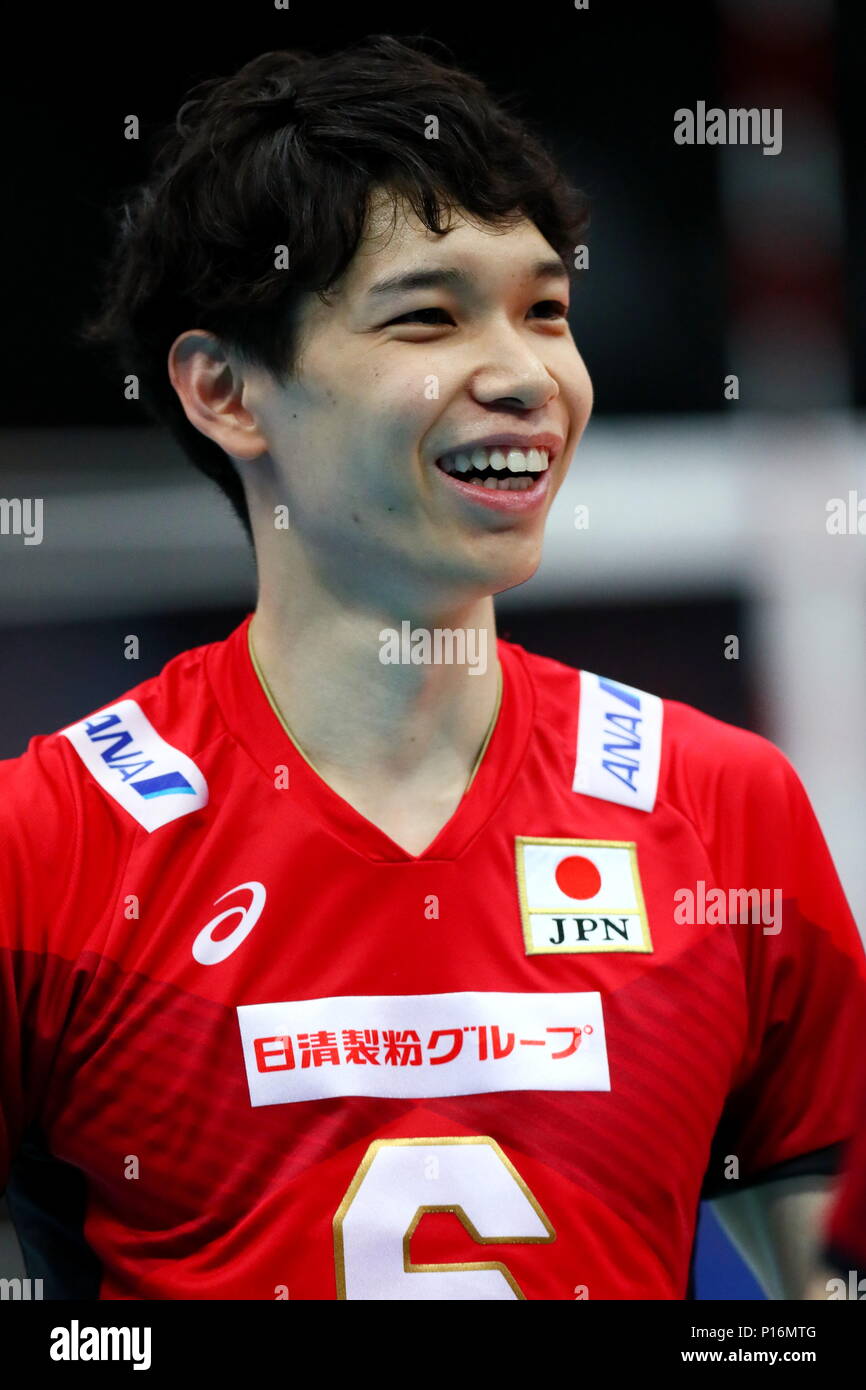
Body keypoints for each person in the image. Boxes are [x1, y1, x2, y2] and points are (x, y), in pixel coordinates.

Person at [2, 33, 864, 1301]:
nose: (525, 377)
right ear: (225, 392)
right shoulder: (47, 851)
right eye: (427, 315)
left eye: (545, 311)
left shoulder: (724, 812)